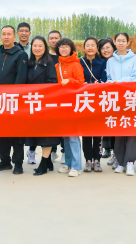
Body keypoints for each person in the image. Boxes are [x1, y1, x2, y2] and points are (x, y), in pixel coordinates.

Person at [0, 25, 29, 174]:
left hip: (14, 101)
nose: (6, 37)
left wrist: (15, 97)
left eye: (9, 34)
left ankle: (18, 163)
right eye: (3, 34)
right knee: (2, 133)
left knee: (16, 134)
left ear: (15, 36)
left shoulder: (21, 54)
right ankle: (5, 161)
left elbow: (21, 78)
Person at [107, 32, 136, 176]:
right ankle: (120, 162)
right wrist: (111, 83)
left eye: (123, 41)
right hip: (116, 100)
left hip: (131, 99)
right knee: (119, 131)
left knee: (132, 131)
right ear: (114, 42)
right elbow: (109, 78)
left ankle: (130, 162)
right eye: (118, 40)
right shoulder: (110, 61)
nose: (121, 43)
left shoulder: (135, 59)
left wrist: (120, 82)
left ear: (128, 43)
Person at [24, 36, 59, 175]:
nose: (37, 48)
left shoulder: (49, 63)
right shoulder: (29, 63)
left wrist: (38, 92)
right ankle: (48, 162)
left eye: (40, 46)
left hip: (45, 104)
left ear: (45, 48)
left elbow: (52, 82)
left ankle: (43, 164)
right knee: (36, 134)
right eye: (35, 45)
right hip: (32, 104)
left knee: (46, 135)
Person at [54, 38, 85, 177]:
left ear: (71, 49)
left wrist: (70, 81)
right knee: (66, 137)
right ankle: (68, 164)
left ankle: (77, 167)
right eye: (61, 46)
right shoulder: (57, 66)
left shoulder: (76, 65)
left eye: (66, 46)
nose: (63, 49)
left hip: (73, 104)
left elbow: (81, 82)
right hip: (62, 104)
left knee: (73, 137)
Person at [80, 37, 106, 172]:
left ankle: (97, 160)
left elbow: (105, 79)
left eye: (93, 45)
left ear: (97, 48)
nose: (90, 48)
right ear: (84, 48)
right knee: (86, 134)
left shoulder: (103, 62)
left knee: (98, 133)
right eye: (87, 45)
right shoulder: (80, 62)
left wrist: (99, 83)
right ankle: (88, 160)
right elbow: (78, 78)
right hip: (85, 101)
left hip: (100, 101)